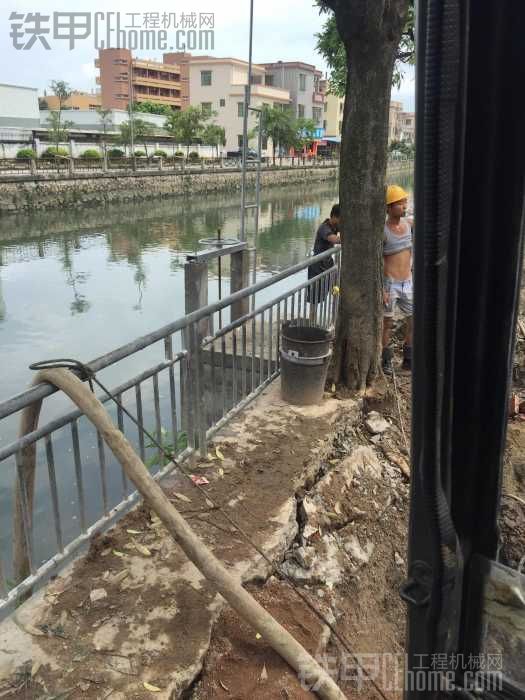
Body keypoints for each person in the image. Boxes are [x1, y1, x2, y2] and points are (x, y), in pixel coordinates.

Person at [382, 185, 413, 374]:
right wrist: (382, 289)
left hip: (408, 282)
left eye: (405, 202)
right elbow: (377, 261)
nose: (404, 206)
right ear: (389, 207)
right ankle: (385, 362)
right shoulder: (383, 232)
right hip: (390, 284)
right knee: (387, 323)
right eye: (400, 203)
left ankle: (408, 360)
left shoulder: (409, 224)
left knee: (414, 320)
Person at [307, 204, 341, 306]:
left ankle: (334, 317)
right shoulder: (324, 228)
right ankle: (312, 320)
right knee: (315, 298)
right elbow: (334, 239)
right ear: (334, 217)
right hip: (317, 266)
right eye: (341, 219)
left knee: (336, 289)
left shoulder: (335, 226)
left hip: (328, 264)